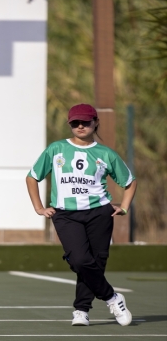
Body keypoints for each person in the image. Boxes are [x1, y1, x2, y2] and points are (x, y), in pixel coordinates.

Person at [25, 103, 137, 327]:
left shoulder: (105, 153)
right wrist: (38, 207)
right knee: (79, 259)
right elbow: (32, 177)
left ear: (95, 123)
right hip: (65, 214)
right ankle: (113, 298)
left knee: (96, 262)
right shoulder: (56, 149)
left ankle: (81, 310)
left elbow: (129, 181)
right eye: (75, 122)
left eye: (85, 122)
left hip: (99, 213)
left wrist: (123, 207)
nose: (80, 126)